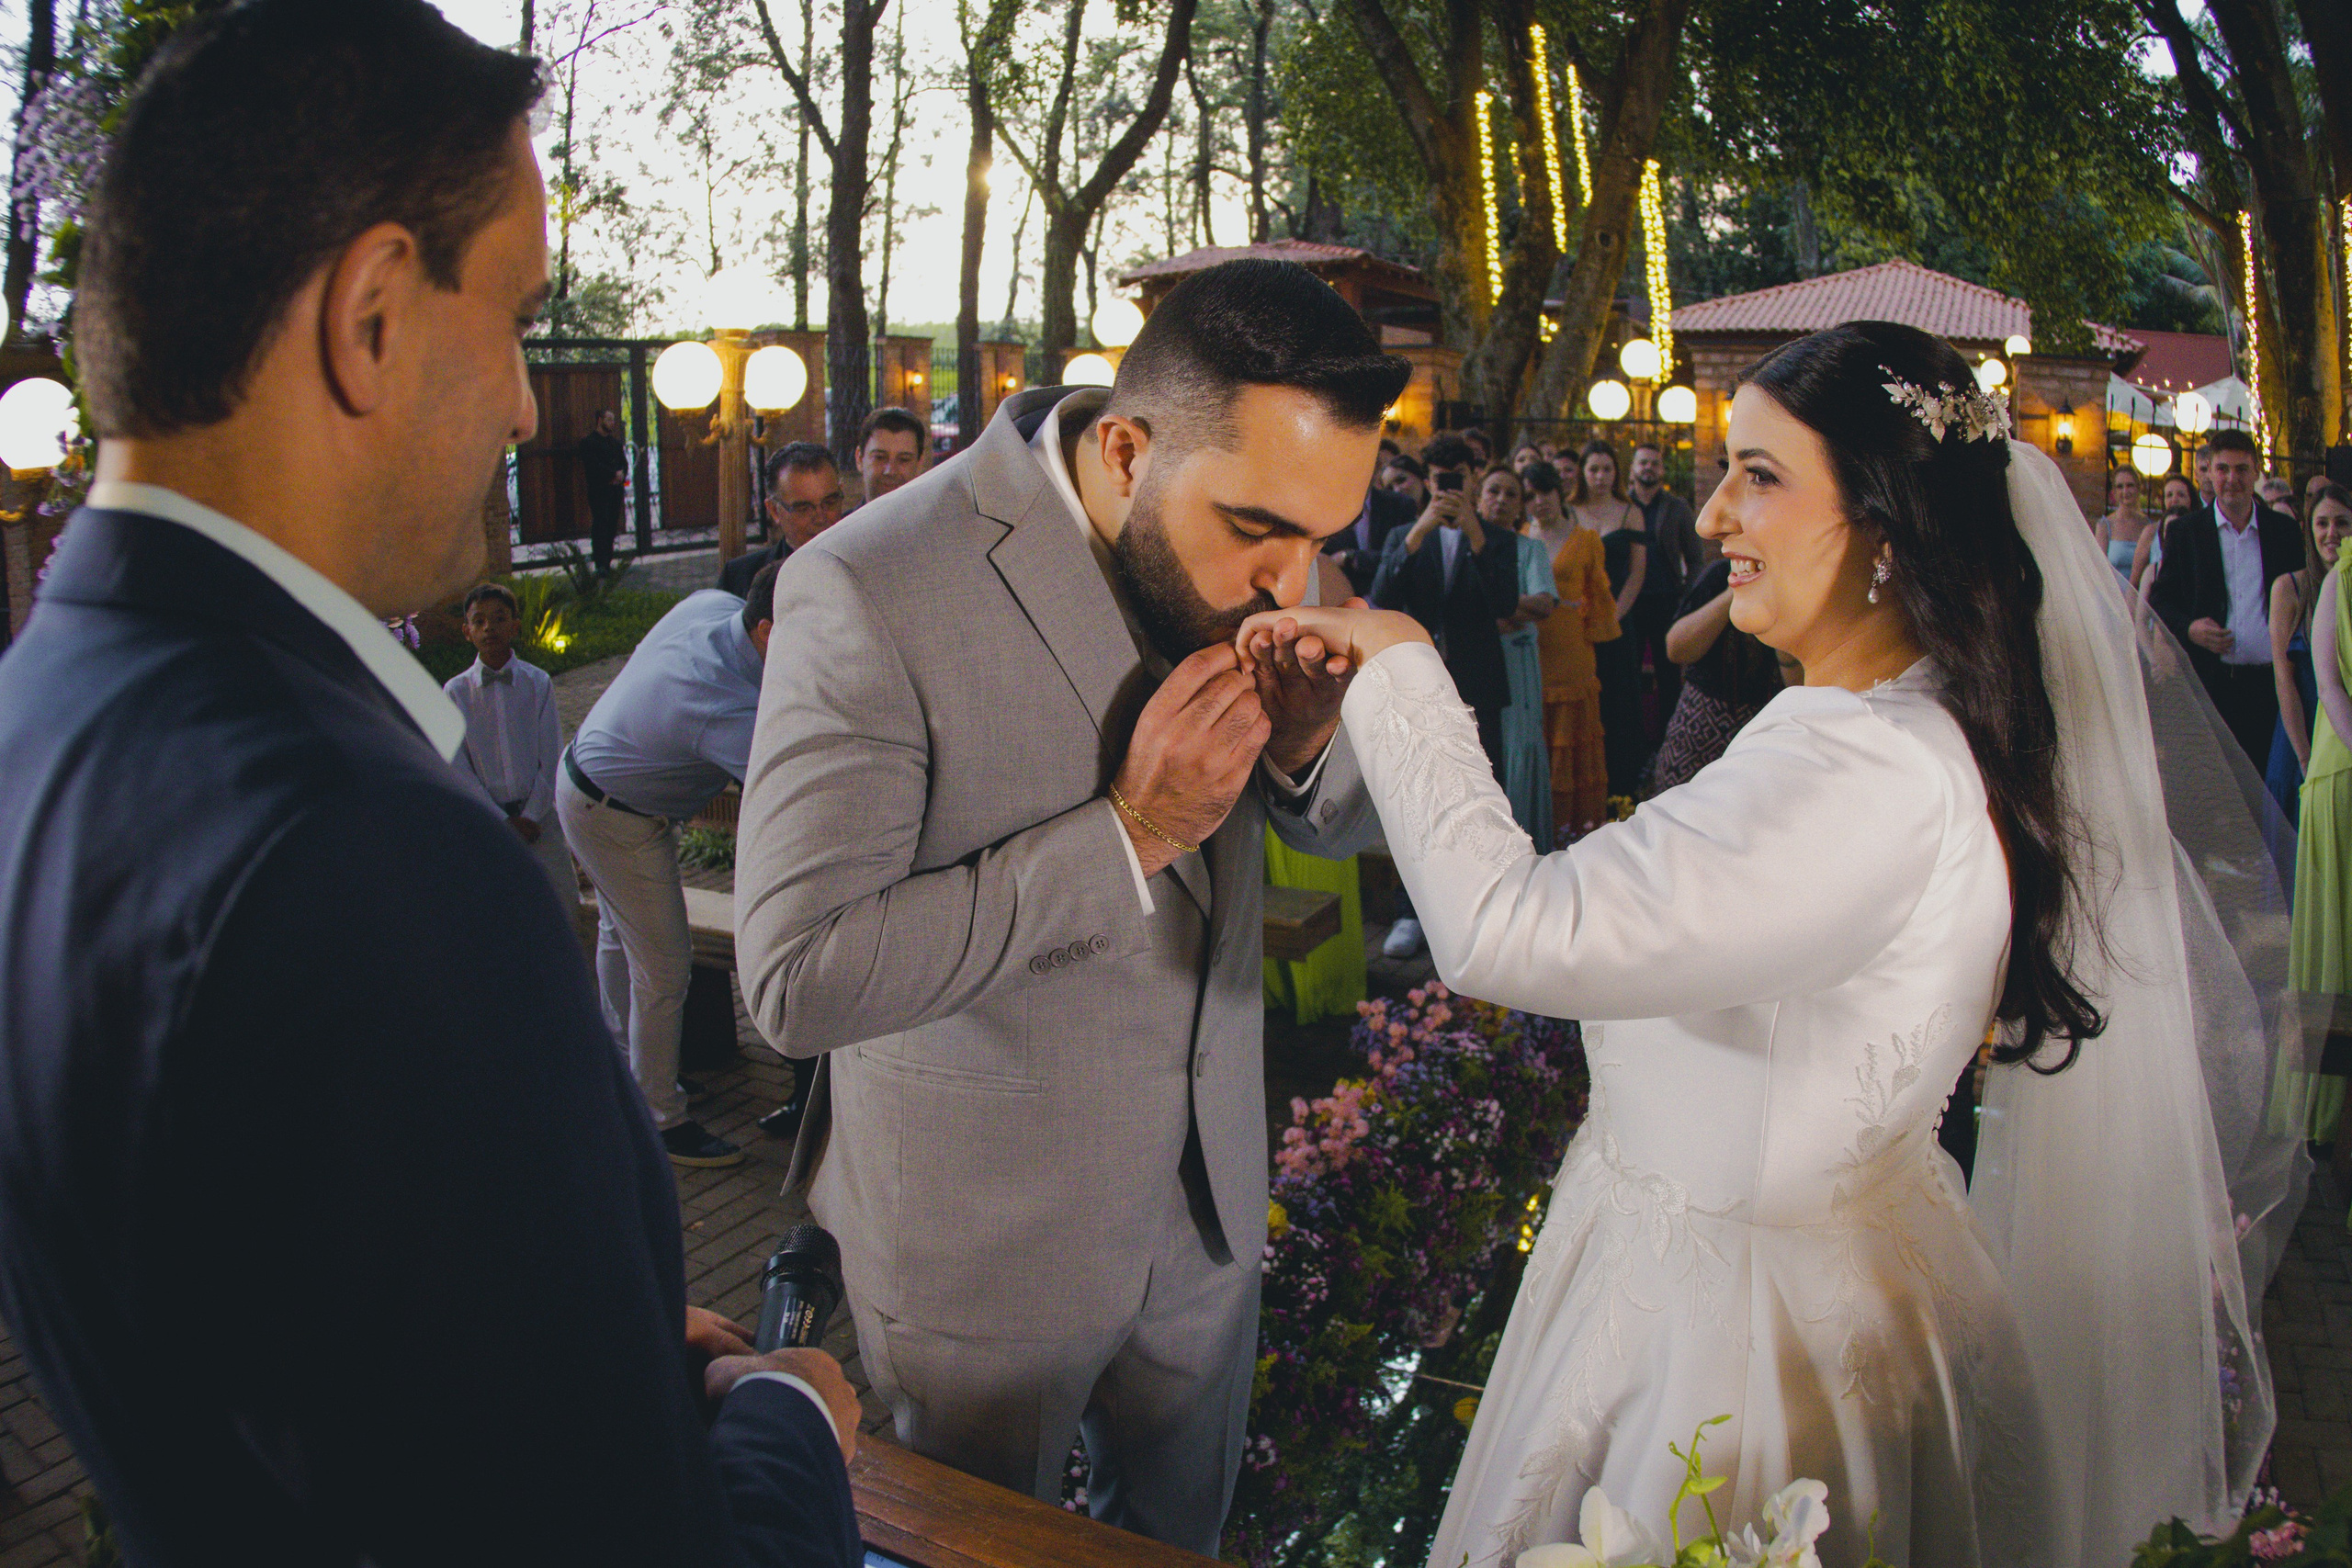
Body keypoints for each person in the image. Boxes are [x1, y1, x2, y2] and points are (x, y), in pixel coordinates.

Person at [0, 6, 865, 1564]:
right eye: (519, 315)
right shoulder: (363, 846)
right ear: (377, 313)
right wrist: (789, 1419)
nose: (531, 404)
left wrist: (548, 1349)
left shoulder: (43, 714)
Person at [1238, 319, 2303, 1568]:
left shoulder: (1856, 764)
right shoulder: (1889, 723)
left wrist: (1404, 663)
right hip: (1822, 1276)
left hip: (1743, 1350)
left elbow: (1510, 925)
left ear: (1886, 531)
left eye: (1761, 475)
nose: (1710, 519)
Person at [734, 258, 1393, 1552]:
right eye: (1260, 528)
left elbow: (1342, 821)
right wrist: (1128, 832)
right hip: (989, 1243)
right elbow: (795, 974)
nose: (1293, 580)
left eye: (1328, 538)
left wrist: (1313, 747)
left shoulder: (1279, 556)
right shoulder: (873, 583)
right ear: (1132, 449)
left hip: (1206, 1213)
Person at [560, 565, 788, 1170]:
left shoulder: (713, 605)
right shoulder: (719, 701)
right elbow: (788, 791)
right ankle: (661, 1119)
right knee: (664, 966)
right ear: (767, 631)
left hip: (589, 782)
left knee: (622, 940)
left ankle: (628, 1083)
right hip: (615, 814)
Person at [1374, 432, 1524, 960]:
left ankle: (1484, 907)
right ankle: (1411, 914)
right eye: (1440, 481)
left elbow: (1508, 603)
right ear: (1427, 481)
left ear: (1474, 479)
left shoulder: (1500, 540)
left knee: (1485, 796)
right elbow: (1379, 601)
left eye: (1459, 479)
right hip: (1417, 686)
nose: (1449, 490)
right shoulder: (1402, 534)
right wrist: (1417, 534)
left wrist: (1477, 534)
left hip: (1479, 680)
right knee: (1414, 796)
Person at [2148, 427, 2304, 767]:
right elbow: (2160, 598)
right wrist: (2189, 629)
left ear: (2256, 473)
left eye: (2241, 469)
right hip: (2213, 685)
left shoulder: (2284, 532)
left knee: (2268, 792)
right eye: (2222, 469)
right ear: (2208, 473)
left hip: (2272, 686)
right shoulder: (2186, 532)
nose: (2231, 478)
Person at [446, 581, 573, 909]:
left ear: (515, 626)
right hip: (489, 825)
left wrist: (530, 816)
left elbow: (551, 755)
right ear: (467, 631)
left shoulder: (537, 683)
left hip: (540, 821)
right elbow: (459, 767)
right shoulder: (456, 693)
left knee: (561, 907)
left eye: (499, 618)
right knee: (497, 911)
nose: (489, 628)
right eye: (479, 621)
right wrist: (502, 822)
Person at [1643, 550, 1791, 795]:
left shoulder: (1794, 585)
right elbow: (1676, 650)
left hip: (1763, 733)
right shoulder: (1722, 574)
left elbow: (1797, 684)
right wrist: (1737, 588)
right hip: (1701, 725)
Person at [1525, 459, 1619, 840]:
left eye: (1545, 491)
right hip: (1529, 648)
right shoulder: (1520, 535)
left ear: (1559, 492)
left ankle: (1574, 830)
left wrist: (1594, 632)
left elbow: (1600, 598)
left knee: (1571, 741)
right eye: (1530, 495)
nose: (1539, 501)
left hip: (1571, 650)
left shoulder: (1586, 540)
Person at [2268, 485, 2352, 823]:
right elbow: (2283, 679)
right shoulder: (2289, 588)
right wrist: (2304, 758)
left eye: (2342, 523)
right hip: (2300, 733)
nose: (2331, 533)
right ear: (2309, 530)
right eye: (2322, 523)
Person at [1481, 466, 1555, 846]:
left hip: (1519, 662)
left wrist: (1497, 610)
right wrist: (1508, 611)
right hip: (1478, 663)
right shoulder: (1467, 547)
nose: (1502, 500)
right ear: (1479, 498)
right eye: (1494, 491)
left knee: (1520, 743)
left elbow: (1544, 605)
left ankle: (1526, 836)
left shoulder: (1530, 549)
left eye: (1512, 494)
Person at [1570, 440, 1649, 795]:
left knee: (1618, 701)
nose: (1600, 477)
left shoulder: (1629, 511)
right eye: (1593, 469)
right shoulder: (1569, 511)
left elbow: (1637, 574)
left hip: (1619, 620)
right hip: (1575, 624)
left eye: (1607, 469)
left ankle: (1621, 786)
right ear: (1583, 474)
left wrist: (1614, 616)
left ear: (1617, 473)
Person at [1628, 440, 1703, 750]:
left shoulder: (1677, 508)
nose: (1648, 468)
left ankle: (1670, 741)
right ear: (1632, 468)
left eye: (1654, 463)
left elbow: (1696, 557)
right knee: (1629, 675)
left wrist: (1687, 597)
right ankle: (1635, 741)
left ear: (1662, 469)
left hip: (1666, 601)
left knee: (1669, 676)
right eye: (1643, 462)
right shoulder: (1623, 506)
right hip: (1628, 604)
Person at [718, 440, 844, 596]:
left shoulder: (867, 563)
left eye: (829, 503)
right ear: (774, 511)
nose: (820, 518)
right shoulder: (741, 577)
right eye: (803, 509)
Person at [1324, 466, 1418, 597]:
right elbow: (1320, 562)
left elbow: (1403, 556)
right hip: (1338, 600)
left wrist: (1351, 557)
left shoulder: (1400, 505)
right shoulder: (1323, 510)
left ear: (1375, 470)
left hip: (1390, 602)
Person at [580, 407, 628, 575]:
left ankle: (607, 562)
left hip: (615, 491)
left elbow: (624, 463)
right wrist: (611, 474)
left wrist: (621, 474)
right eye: (608, 419)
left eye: (613, 420)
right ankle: (600, 563)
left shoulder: (614, 443)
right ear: (600, 420)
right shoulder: (589, 443)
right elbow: (593, 465)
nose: (612, 423)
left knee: (612, 525)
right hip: (599, 491)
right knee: (601, 524)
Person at [849, 404, 926, 509]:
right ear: (859, 459)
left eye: (903, 460)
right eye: (880, 457)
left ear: (919, 464)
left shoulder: (939, 525)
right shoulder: (841, 526)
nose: (890, 471)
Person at [2130, 473, 2198, 592]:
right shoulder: (2151, 532)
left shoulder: (2199, 531)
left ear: (2191, 499)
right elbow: (2134, 583)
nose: (2174, 500)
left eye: (2181, 495)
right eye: (2169, 495)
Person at [2095, 466, 2148, 580]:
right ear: (2114, 492)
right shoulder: (2105, 526)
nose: (2125, 491)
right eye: (2120, 487)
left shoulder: (2148, 526)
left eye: (2130, 485)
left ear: (2138, 488)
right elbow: (2099, 569)